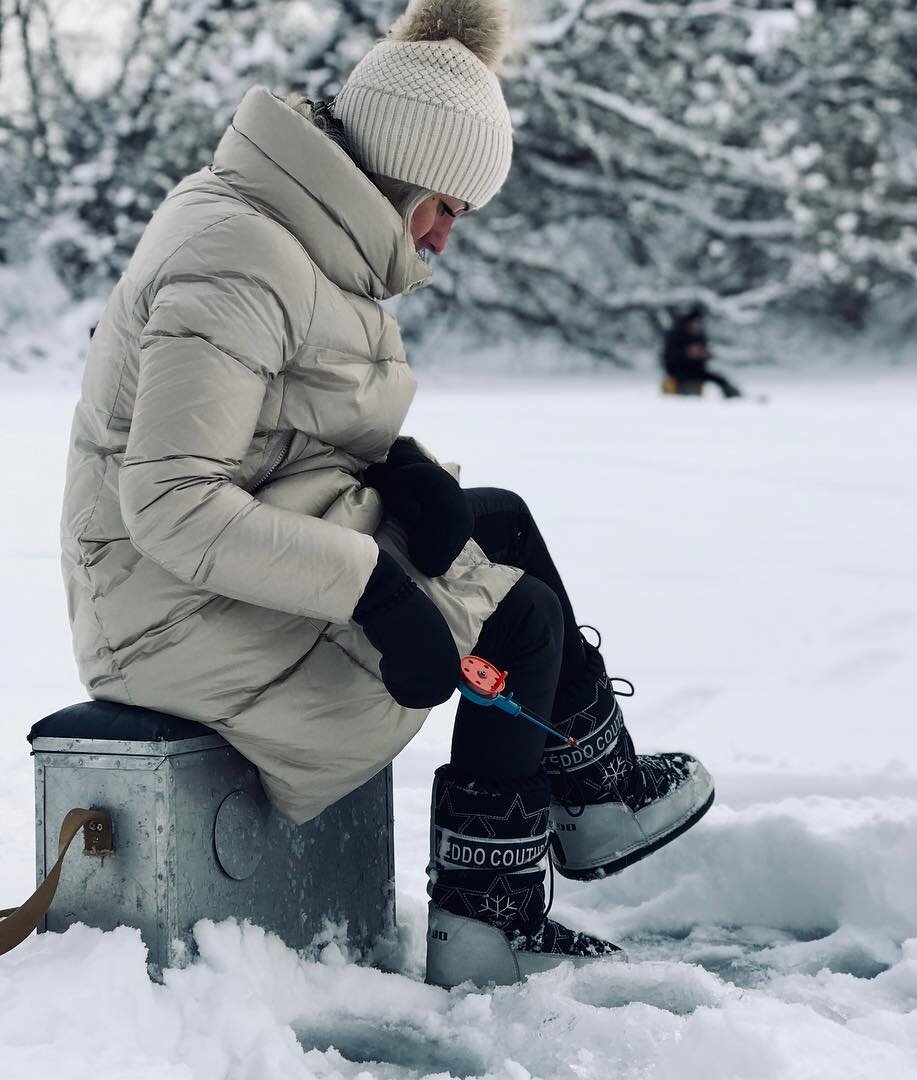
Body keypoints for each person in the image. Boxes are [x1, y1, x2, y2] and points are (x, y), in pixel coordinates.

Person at [59, 0, 714, 988]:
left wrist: (402, 472)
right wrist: (374, 587)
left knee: (497, 521)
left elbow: (273, 427)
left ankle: (590, 792)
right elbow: (174, 503)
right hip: (164, 619)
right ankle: (486, 929)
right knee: (518, 621)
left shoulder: (291, 231)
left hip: (200, 582)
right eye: (445, 205)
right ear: (401, 166)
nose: (447, 236)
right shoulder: (239, 254)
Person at [662, 304, 743, 398]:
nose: (697, 327)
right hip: (678, 372)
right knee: (689, 389)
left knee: (720, 379)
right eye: (694, 324)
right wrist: (686, 353)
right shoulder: (675, 336)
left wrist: (705, 355)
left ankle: (734, 396)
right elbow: (668, 358)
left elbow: (705, 358)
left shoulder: (700, 337)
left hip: (696, 371)